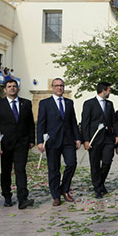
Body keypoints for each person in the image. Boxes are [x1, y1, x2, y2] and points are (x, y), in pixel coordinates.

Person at [0, 79, 35, 209]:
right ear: (5, 89)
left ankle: (22, 199)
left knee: (20, 170)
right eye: (9, 86)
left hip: (21, 143)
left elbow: (30, 123)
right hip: (4, 144)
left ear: (18, 89)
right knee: (6, 171)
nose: (12, 88)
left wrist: (31, 139)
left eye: (14, 86)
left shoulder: (26, 103)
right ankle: (7, 196)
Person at [36, 78, 81, 206]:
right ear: (52, 87)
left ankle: (65, 189)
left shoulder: (69, 102)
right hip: (52, 141)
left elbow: (73, 121)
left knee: (71, 164)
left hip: (68, 140)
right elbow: (41, 123)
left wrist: (77, 138)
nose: (59, 88)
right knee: (54, 169)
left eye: (61, 85)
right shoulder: (45, 103)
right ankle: (56, 195)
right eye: (56, 86)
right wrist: (40, 141)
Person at [81, 82, 118, 198]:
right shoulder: (89, 104)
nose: (110, 92)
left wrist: (117, 135)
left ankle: (100, 182)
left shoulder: (109, 104)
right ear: (104, 90)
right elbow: (85, 123)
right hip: (94, 139)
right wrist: (86, 140)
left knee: (107, 161)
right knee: (95, 164)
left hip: (108, 138)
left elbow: (114, 121)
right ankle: (97, 188)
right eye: (109, 90)